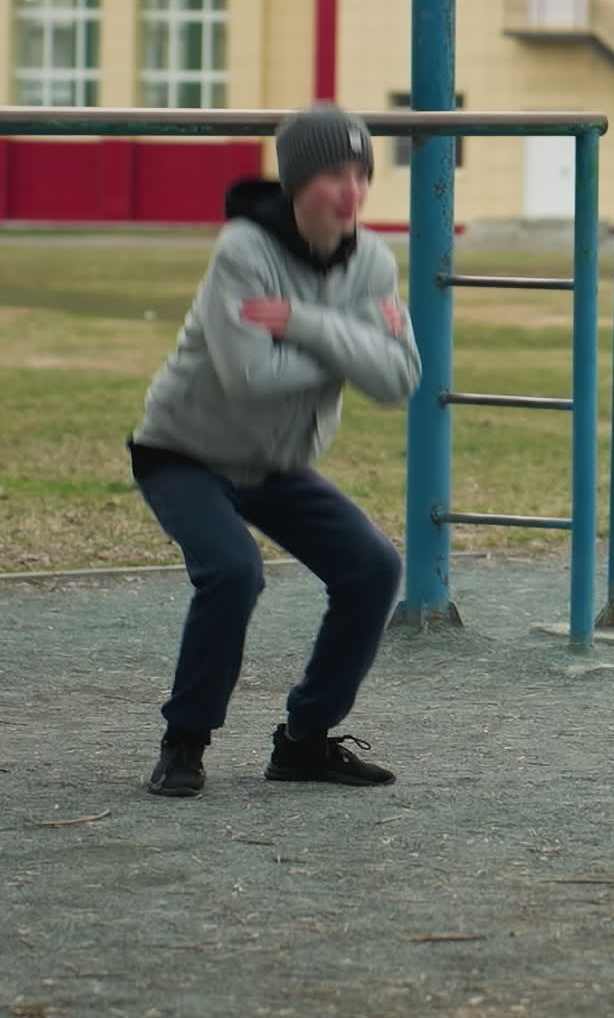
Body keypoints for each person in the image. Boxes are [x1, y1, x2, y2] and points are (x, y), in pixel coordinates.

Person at [128, 103, 422, 798]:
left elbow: (402, 379)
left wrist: (304, 324)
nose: (350, 191)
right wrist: (353, 348)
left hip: (275, 467)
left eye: (360, 174)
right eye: (330, 175)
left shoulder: (374, 262)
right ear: (295, 184)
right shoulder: (243, 252)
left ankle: (303, 742)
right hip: (183, 452)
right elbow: (253, 379)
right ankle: (185, 741)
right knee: (233, 572)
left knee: (373, 568)